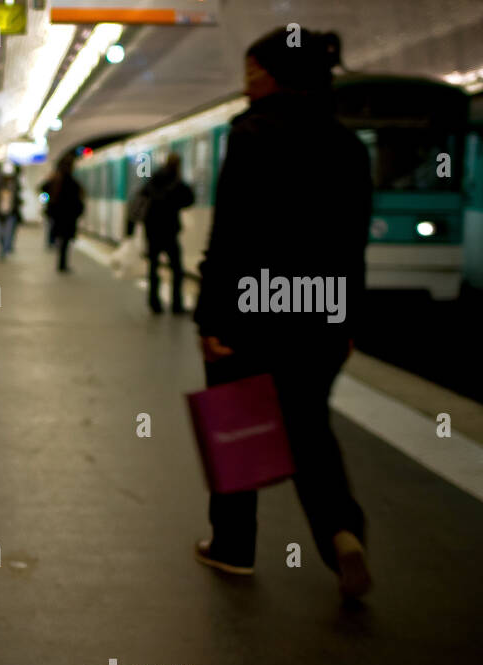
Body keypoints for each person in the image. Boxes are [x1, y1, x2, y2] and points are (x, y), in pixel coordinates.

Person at [192, 26, 372, 598]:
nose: (246, 86)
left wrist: (211, 319)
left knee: (239, 421)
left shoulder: (253, 136)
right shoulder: (350, 147)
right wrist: (344, 321)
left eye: (251, 73)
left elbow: (232, 236)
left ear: (275, 76)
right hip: (319, 313)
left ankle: (233, 548)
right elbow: (352, 245)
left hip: (253, 307)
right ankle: (342, 531)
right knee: (310, 429)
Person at [134, 152, 193, 313]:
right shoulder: (176, 181)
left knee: (153, 266)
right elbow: (189, 199)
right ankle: (176, 304)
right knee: (177, 268)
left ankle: (154, 302)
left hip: (152, 229)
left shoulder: (154, 178)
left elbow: (142, 196)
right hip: (169, 230)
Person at [46, 155, 84, 271]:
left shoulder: (55, 181)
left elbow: (44, 188)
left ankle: (61, 263)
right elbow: (78, 199)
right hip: (69, 217)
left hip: (57, 216)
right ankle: (62, 264)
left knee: (60, 239)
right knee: (66, 241)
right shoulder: (72, 183)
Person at [0, 174, 23, 259]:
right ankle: (2, 248)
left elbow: (17, 202)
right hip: (0, 215)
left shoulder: (14, 192)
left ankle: (5, 249)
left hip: (10, 215)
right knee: (0, 233)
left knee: (8, 233)